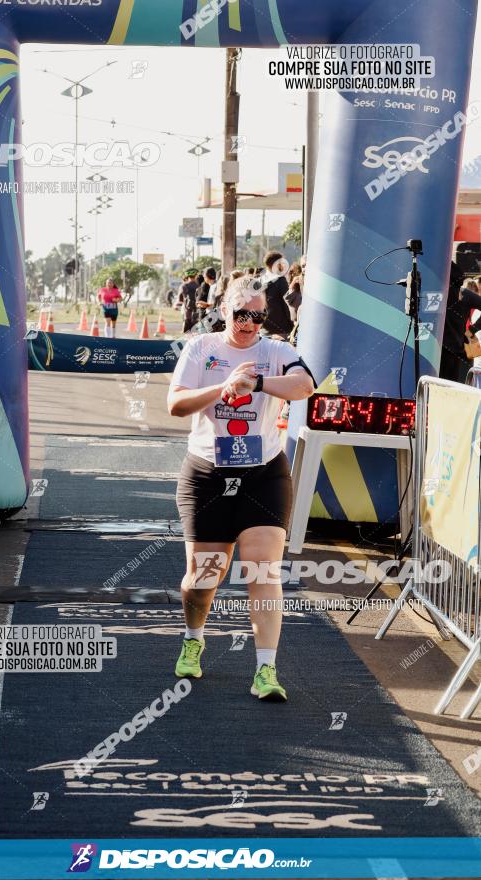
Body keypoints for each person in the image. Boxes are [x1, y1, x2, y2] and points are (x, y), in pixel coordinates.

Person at [167, 275, 316, 701]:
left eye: (257, 315)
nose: (249, 323)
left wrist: (259, 383)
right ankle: (194, 637)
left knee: (263, 570)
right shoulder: (202, 348)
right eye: (241, 314)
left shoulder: (275, 350)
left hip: (263, 475)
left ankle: (265, 670)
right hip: (208, 475)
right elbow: (175, 405)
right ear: (224, 311)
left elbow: (306, 386)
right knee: (202, 578)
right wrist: (224, 385)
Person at [440, 264, 481, 383]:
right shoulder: (464, 294)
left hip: (436, 351)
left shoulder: (434, 293)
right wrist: (472, 330)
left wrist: (473, 329)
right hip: (459, 351)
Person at [260, 250, 293, 340]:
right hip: (281, 329)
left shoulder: (260, 281)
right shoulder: (280, 281)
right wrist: (291, 324)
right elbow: (287, 304)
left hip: (264, 329)